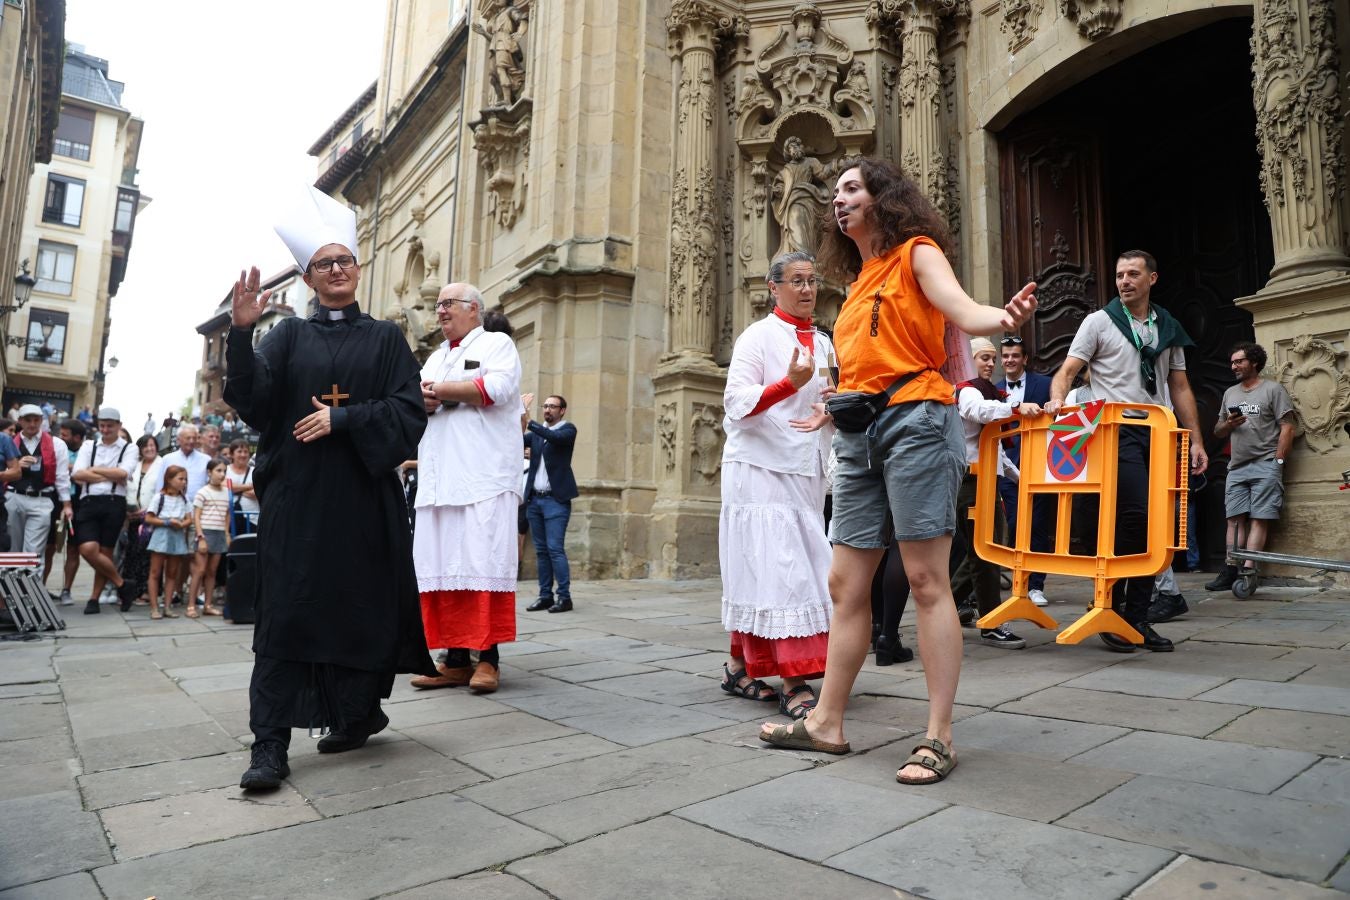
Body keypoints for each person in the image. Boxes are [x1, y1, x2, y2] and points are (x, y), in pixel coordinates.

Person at [758, 158, 1036, 786]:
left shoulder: (918, 252)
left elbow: (964, 312)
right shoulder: (857, 285)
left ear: (883, 198)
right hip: (860, 437)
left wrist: (1003, 318)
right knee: (845, 585)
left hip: (917, 421)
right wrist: (829, 409)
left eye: (852, 188)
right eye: (834, 192)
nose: (839, 200)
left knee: (924, 578)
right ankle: (827, 722)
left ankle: (939, 736)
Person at [225, 185, 432, 792]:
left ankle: (358, 712)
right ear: (310, 277)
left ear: (358, 270)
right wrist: (241, 335)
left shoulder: (388, 340)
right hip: (299, 501)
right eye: (325, 264)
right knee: (286, 616)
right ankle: (269, 746)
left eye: (345, 261)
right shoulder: (286, 337)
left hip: (365, 502)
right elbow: (255, 404)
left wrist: (345, 419)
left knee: (360, 609)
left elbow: (408, 415)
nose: (337, 270)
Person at [1046, 250, 1208, 651]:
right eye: (1119, 274)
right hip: (1117, 433)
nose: (1124, 281)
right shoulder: (1098, 321)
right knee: (1133, 518)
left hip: (1160, 432)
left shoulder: (1167, 326)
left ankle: (1137, 617)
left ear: (1152, 278)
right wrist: (1056, 402)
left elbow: (1181, 386)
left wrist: (1196, 440)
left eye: (1133, 274)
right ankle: (1113, 612)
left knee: (1158, 526)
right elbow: (1066, 371)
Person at [717, 251, 835, 719]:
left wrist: (830, 409)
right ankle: (794, 680)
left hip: (804, 468)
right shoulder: (757, 337)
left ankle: (737, 667)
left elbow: (828, 391)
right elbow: (735, 403)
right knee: (783, 571)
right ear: (774, 287)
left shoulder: (824, 343)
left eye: (812, 281)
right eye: (798, 281)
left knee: (770, 570)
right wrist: (787, 384)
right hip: (760, 469)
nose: (807, 290)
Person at [410, 283, 522, 694]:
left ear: (473, 309)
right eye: (438, 305)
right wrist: (423, 398)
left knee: (482, 562)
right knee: (442, 565)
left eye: (448, 304)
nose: (440, 312)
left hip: (483, 476)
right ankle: (454, 658)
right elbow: (415, 401)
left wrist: (438, 392)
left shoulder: (496, 345)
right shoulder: (436, 357)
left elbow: (496, 389)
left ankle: (488, 658)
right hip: (441, 479)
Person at [951, 338, 1039, 649]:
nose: (991, 363)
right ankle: (991, 622)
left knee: (985, 550)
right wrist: (1015, 407)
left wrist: (1019, 477)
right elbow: (977, 412)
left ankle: (945, 605)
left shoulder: (987, 391)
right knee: (986, 552)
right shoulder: (968, 389)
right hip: (971, 482)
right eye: (984, 358)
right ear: (969, 360)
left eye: (992, 358)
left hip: (985, 480)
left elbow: (995, 448)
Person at [1205, 341, 1295, 593]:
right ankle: (1230, 568)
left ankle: (1248, 571)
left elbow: (1287, 427)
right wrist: (1230, 424)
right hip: (1237, 467)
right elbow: (1218, 430)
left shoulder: (1273, 390)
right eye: (1232, 362)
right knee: (1233, 519)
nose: (1233, 366)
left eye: (1239, 361)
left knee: (1259, 518)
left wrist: (1278, 460)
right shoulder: (1230, 393)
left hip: (1266, 463)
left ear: (1253, 362)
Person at [996, 335, 1054, 606]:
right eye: (1005, 355)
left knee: (1039, 526)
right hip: (1007, 469)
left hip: (1039, 466)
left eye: (1015, 355)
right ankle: (1020, 579)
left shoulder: (1045, 384)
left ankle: (1036, 585)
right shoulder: (993, 390)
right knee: (1015, 524)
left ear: (1025, 359)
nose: (1010, 360)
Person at [69, 407, 139, 614]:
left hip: (113, 501)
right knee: (87, 549)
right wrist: (111, 475)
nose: (105, 429)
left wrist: (94, 470)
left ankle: (94, 599)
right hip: (89, 501)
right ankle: (122, 584)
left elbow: (124, 472)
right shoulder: (89, 445)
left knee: (106, 552)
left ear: (119, 426)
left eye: (110, 426)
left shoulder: (129, 448)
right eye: (102, 425)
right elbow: (77, 474)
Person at [523, 394, 578, 614]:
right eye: (545, 406)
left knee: (555, 549)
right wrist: (516, 416)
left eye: (552, 406)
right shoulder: (536, 435)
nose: (548, 410)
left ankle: (564, 597)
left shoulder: (568, 430)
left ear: (562, 410)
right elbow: (514, 441)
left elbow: (554, 438)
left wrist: (529, 422)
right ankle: (545, 595)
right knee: (541, 551)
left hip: (556, 501)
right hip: (535, 499)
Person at [8, 405, 72, 581]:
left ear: (42, 421)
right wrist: (16, 466)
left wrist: (66, 505)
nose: (32, 424)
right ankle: (11, 598)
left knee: (33, 553)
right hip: (13, 496)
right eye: (28, 420)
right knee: (11, 551)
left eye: (36, 420)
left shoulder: (56, 444)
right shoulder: (8, 442)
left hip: (41, 499)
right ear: (20, 421)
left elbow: (62, 477)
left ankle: (31, 600)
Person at [144, 465, 193, 619]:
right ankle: (154, 607)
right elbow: (149, 517)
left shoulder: (184, 498)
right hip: (162, 533)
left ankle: (167, 606)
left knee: (172, 573)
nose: (183, 482)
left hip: (177, 534)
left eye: (185, 479)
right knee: (155, 572)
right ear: (169, 479)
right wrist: (166, 522)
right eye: (180, 479)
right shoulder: (160, 497)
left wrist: (182, 525)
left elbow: (189, 519)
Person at [120, 434, 162, 609]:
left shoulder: (162, 464)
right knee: (132, 554)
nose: (149, 449)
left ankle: (147, 591)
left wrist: (147, 511)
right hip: (133, 518)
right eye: (145, 446)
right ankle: (131, 590)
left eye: (152, 445)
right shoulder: (134, 466)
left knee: (148, 556)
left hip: (152, 517)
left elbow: (162, 490)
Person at [188, 458, 231, 617]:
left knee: (212, 571)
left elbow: (227, 515)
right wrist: (201, 537)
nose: (222, 474)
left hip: (219, 533)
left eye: (224, 471)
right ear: (209, 472)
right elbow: (196, 517)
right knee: (200, 570)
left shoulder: (227, 492)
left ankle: (207, 604)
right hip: (205, 532)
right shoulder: (202, 492)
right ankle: (191, 606)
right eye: (218, 470)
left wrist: (226, 533)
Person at [225, 439, 259, 534]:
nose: (243, 455)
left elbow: (258, 492)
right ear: (232, 454)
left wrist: (235, 489)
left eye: (246, 452)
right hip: (229, 518)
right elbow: (225, 487)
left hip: (253, 519)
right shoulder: (225, 470)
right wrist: (250, 486)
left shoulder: (255, 471)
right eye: (239, 451)